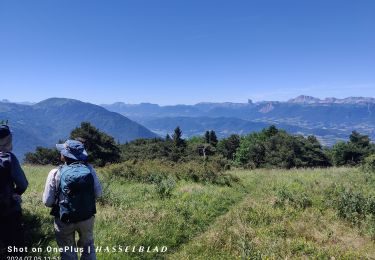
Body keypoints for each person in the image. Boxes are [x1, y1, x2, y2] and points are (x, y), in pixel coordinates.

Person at [43, 140, 102, 260]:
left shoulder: (55, 173)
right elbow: (99, 194)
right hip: (86, 217)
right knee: (88, 247)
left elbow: (47, 202)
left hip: (64, 219)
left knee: (67, 251)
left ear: (64, 156)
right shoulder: (90, 170)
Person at [0, 124, 28, 257]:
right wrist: (16, 193)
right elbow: (23, 183)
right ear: (7, 140)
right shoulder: (9, 158)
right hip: (8, 211)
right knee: (14, 249)